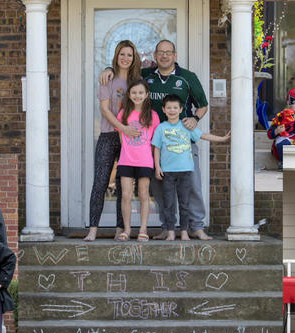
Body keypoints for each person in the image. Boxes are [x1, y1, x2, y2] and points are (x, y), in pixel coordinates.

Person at [100, 40, 212, 240]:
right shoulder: (147, 76)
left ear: (175, 55)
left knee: (192, 185)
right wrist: (109, 68)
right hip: (154, 143)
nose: (164, 56)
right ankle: (166, 227)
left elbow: (202, 105)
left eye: (168, 52)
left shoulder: (187, 78)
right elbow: (126, 72)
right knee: (161, 188)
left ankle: (197, 226)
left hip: (182, 141)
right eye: (160, 52)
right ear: (155, 56)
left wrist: (195, 118)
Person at [84, 40, 142, 242]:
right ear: (116, 57)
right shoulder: (107, 79)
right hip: (109, 135)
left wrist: (128, 130)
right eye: (122, 54)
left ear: (134, 59)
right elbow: (105, 110)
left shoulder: (137, 82)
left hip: (130, 140)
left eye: (129, 55)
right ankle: (93, 229)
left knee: (123, 185)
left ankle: (120, 228)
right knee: (100, 182)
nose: (126, 58)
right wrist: (122, 127)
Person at [152, 94, 230, 241]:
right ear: (163, 109)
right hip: (168, 172)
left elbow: (204, 136)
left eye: (175, 107)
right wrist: (157, 167)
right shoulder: (161, 128)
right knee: (168, 203)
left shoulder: (186, 126)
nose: (172, 110)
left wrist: (222, 138)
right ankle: (170, 232)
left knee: (185, 204)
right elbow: (156, 148)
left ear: (181, 109)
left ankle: (184, 232)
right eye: (169, 107)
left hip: (185, 171)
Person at [115, 79, 159, 242]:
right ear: (129, 94)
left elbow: (155, 142)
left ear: (146, 94)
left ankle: (143, 229)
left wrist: (154, 161)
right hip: (126, 160)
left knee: (143, 195)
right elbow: (121, 136)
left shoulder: (152, 116)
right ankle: (127, 229)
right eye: (134, 92)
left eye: (141, 93)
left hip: (145, 161)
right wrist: (127, 152)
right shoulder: (123, 113)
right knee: (126, 195)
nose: (137, 95)